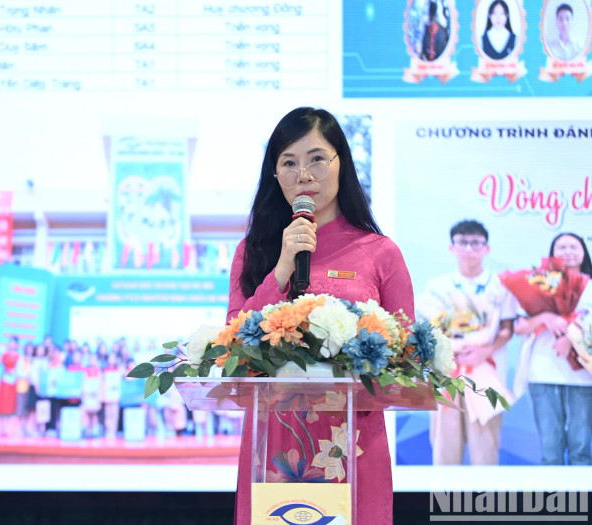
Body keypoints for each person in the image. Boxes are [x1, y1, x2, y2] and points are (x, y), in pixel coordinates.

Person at [228, 107, 414, 524]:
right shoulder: (254, 251)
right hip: (273, 446)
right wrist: (281, 269)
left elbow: (406, 358)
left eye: (316, 158)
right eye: (288, 163)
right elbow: (232, 349)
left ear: (340, 163)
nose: (303, 173)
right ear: (274, 174)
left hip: (350, 444)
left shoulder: (381, 253)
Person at [416, 220, 517, 465]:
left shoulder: (501, 286)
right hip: (446, 372)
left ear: (486, 248)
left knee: (486, 447)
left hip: (486, 372)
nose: (469, 248)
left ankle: (486, 501)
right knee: (445, 446)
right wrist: (448, 349)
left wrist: (484, 351)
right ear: (452, 248)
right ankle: (444, 501)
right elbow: (428, 330)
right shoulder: (436, 287)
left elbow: (507, 329)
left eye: (476, 243)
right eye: (463, 242)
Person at [514, 233, 592, 465]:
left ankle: (583, 501)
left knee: (581, 449)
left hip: (583, 375)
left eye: (573, 246)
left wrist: (573, 337)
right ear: (551, 253)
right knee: (551, 449)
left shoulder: (590, 286)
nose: (567, 251)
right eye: (561, 247)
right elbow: (520, 326)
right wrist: (546, 317)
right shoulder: (537, 284)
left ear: (583, 252)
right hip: (543, 370)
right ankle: (552, 501)